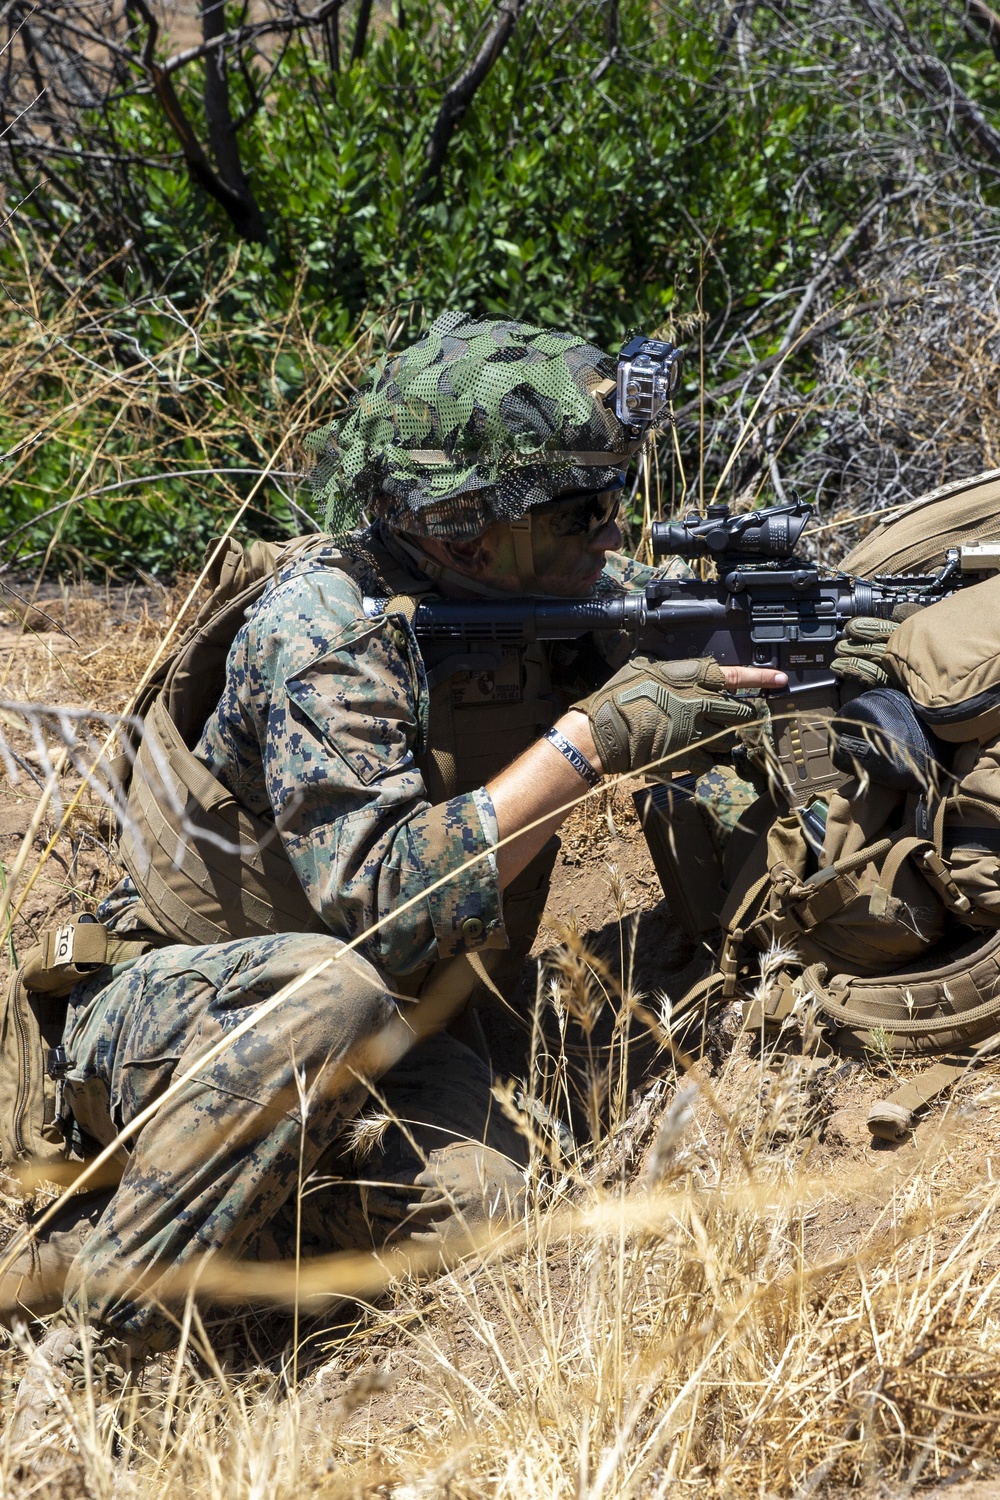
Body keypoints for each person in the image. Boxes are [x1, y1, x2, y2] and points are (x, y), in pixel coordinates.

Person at [6, 313, 785, 1441]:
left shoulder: (543, 598)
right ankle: (79, 1356)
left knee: (489, 1203)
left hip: (392, 1041)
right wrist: (589, 746)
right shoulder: (327, 632)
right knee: (331, 989)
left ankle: (224, 1227)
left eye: (611, 501)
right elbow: (384, 900)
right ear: (462, 526)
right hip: (192, 1015)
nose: (610, 534)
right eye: (577, 509)